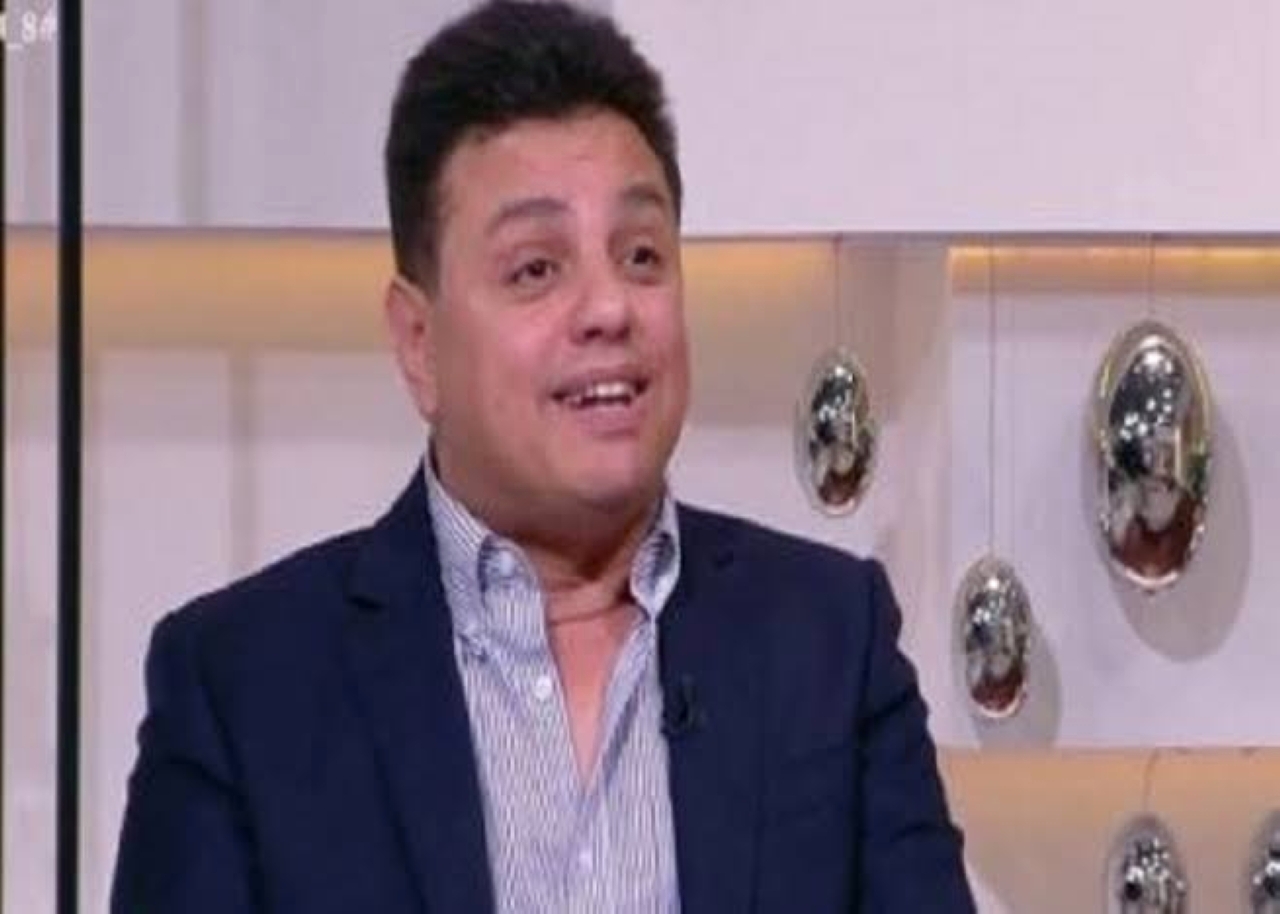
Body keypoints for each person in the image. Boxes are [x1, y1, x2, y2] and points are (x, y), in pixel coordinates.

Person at [111, 2, 976, 912]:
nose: (610, 308)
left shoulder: (828, 641)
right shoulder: (246, 687)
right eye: (536, 268)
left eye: (641, 255)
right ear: (418, 343)